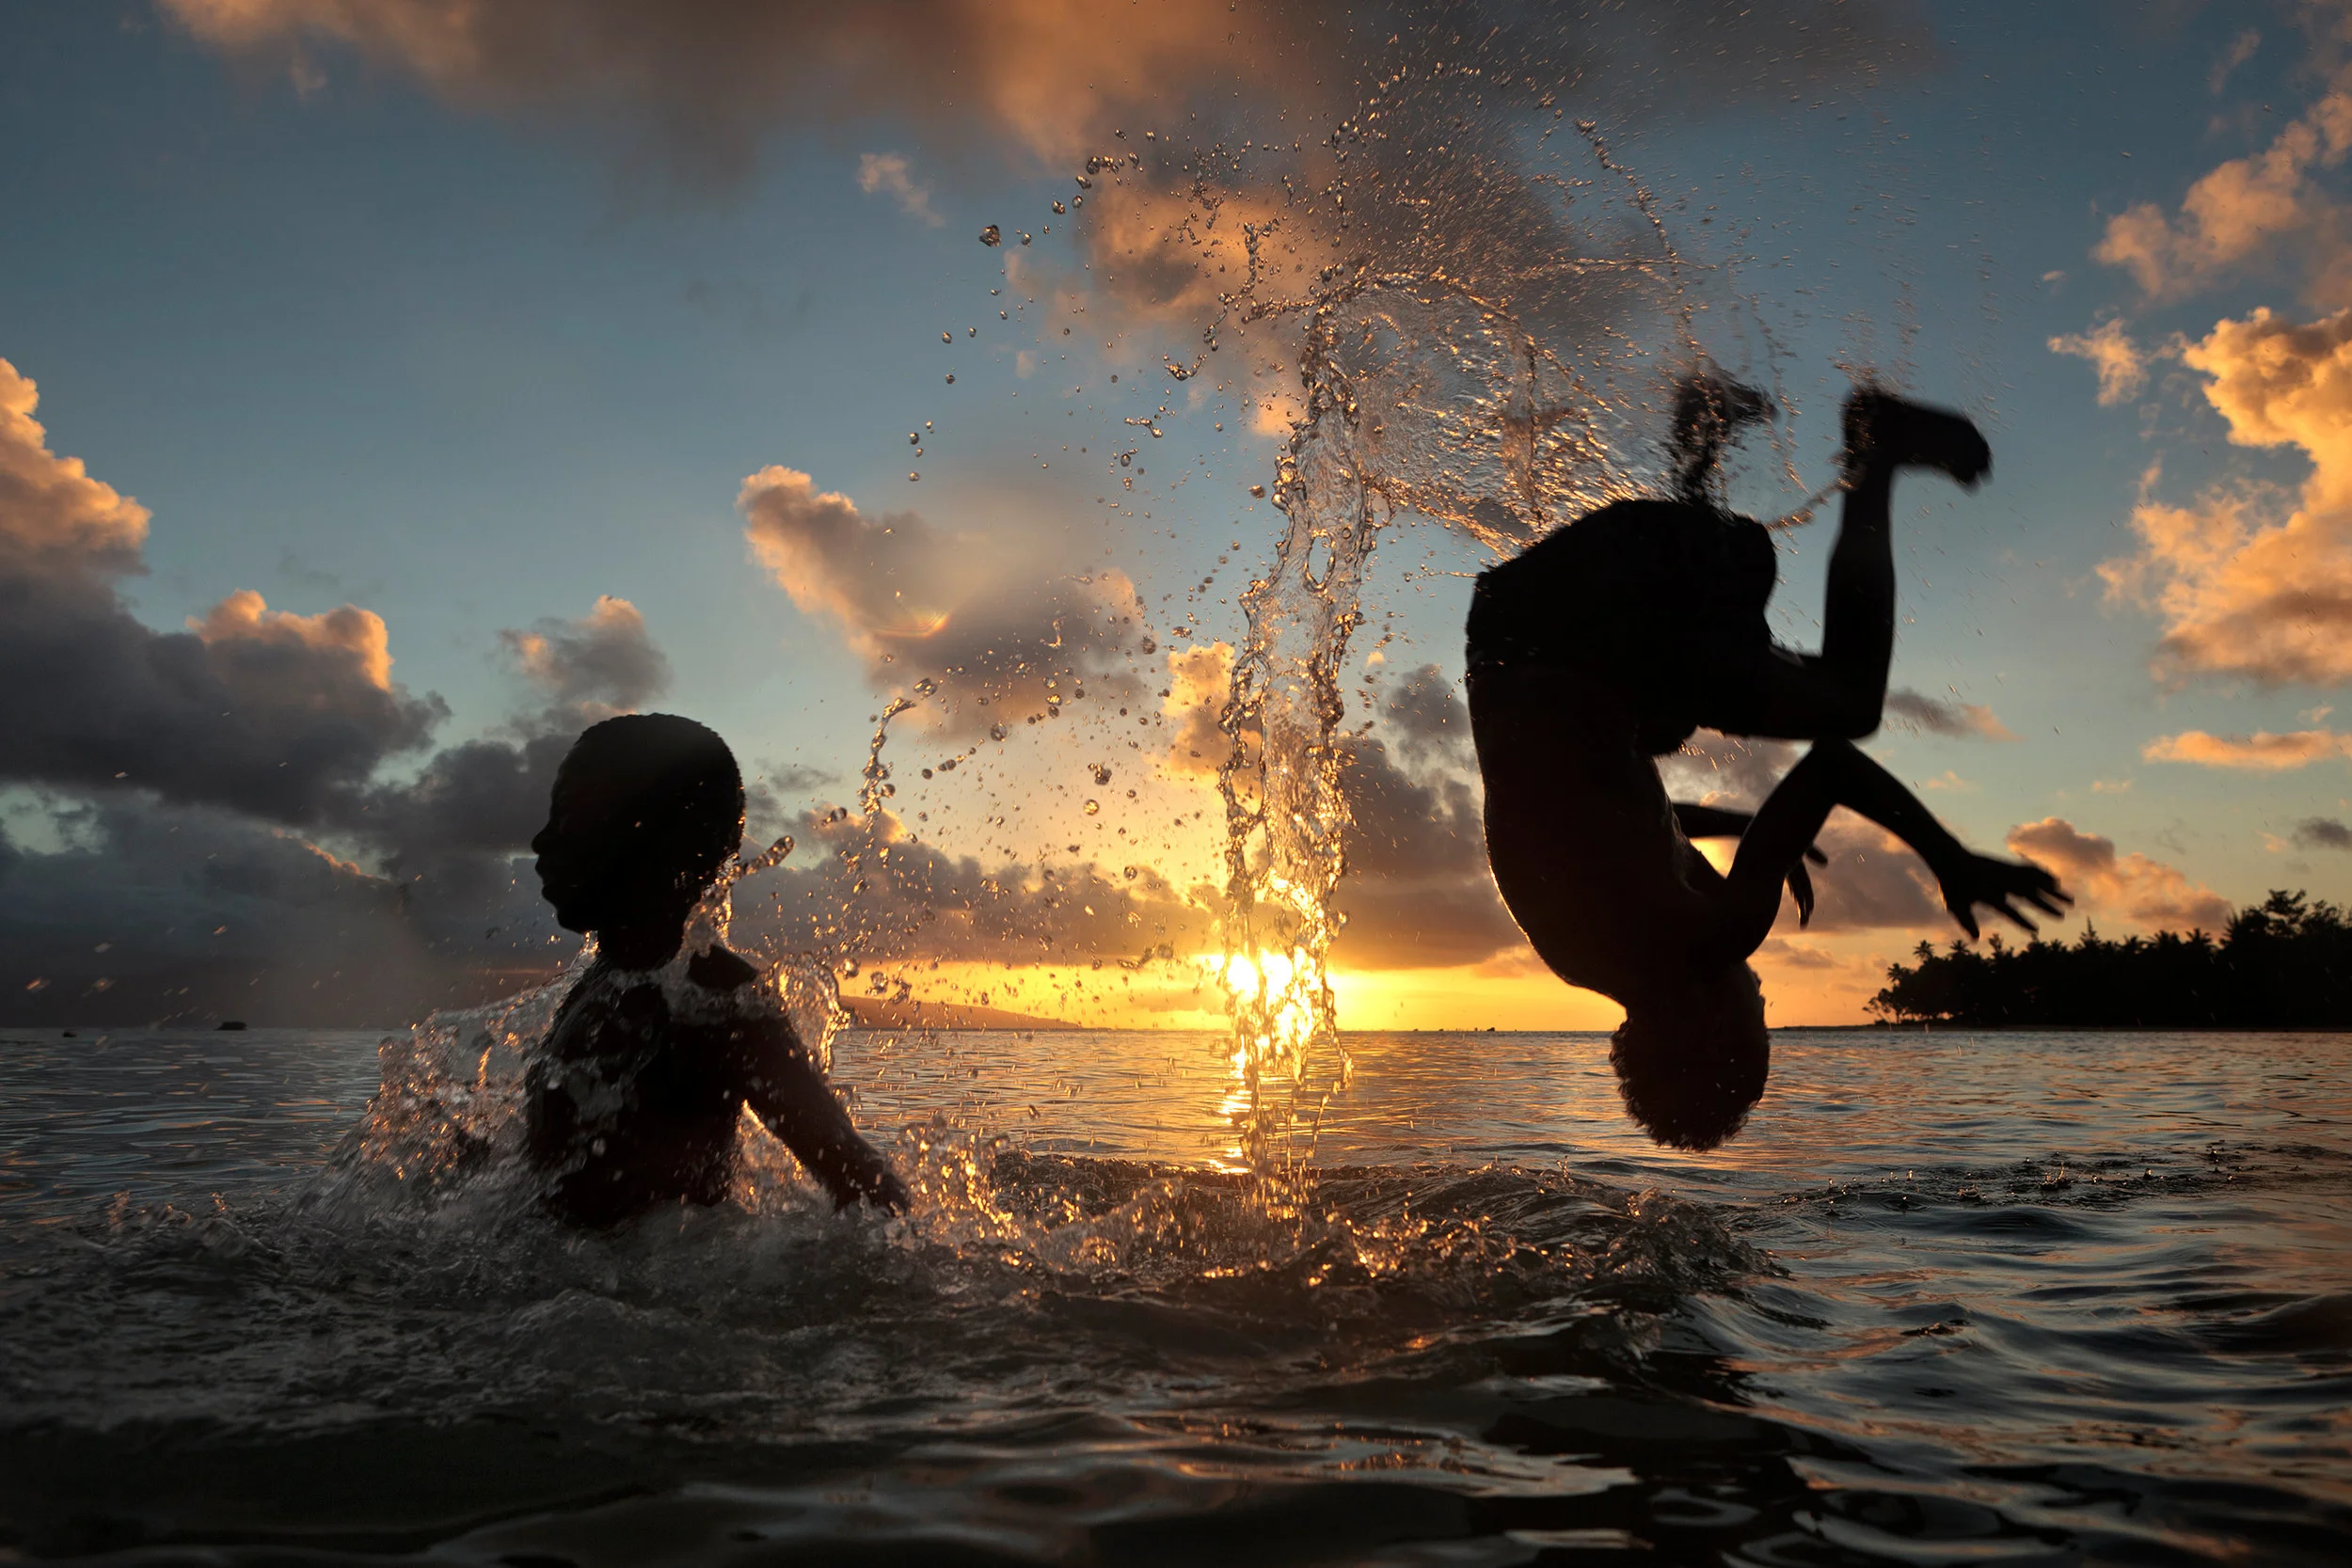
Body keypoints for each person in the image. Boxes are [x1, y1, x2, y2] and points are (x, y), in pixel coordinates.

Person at [1466, 381, 2069, 1149]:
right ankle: (1700, 435)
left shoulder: (1712, 940)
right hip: (1511, 626)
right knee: (1681, 689)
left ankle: (1874, 451)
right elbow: (1614, 810)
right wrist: (1750, 825)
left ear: (1714, 1028)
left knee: (1845, 699)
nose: (1760, 995)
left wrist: (1948, 859)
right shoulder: (1580, 951)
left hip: (1585, 642)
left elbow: (1833, 769)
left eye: (1759, 1019)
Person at [524, 713, 908, 1226]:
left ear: (655, 844)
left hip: (651, 1297)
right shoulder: (604, 981)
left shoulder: (720, 1001)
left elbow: (860, 1176)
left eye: (569, 818)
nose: (542, 842)